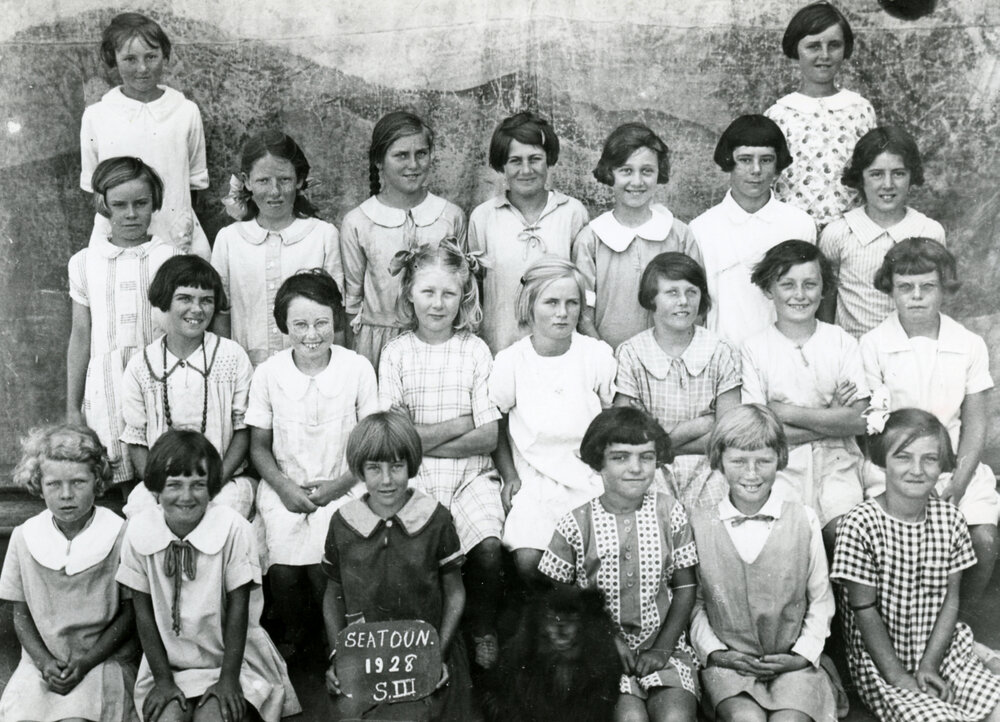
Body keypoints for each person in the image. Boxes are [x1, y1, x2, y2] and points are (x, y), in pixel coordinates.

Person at [117, 429, 300, 722]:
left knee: (212, 718)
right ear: (156, 489)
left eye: (198, 485)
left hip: (232, 662)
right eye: (174, 485)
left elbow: (239, 609)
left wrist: (227, 681)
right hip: (168, 665)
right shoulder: (138, 531)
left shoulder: (233, 529)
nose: (186, 496)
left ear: (212, 487)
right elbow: (144, 613)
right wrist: (163, 680)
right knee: (169, 719)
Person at [379, 241, 504, 668]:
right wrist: (459, 422)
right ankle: (422, 637)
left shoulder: (475, 350)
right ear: (409, 294)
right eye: (428, 292)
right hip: (416, 476)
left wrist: (425, 435)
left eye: (449, 294)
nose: (438, 303)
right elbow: (397, 439)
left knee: (488, 547)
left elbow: (488, 436)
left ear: (463, 297)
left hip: (472, 476)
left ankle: (482, 626)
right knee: (409, 547)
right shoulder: (395, 353)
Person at [832, 408, 1000, 721]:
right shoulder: (860, 524)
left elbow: (952, 600)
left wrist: (929, 665)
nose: (917, 469)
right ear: (883, 461)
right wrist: (899, 677)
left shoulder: (951, 521)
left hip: (944, 652)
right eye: (903, 457)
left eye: (930, 459)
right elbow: (864, 612)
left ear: (943, 465)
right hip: (884, 664)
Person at [859, 238, 999, 604]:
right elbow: (874, 427)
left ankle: (959, 629)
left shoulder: (968, 344)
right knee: (906, 544)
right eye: (905, 287)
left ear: (944, 288)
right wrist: (908, 479)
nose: (916, 296)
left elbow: (976, 425)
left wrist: (958, 484)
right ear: (890, 290)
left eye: (928, 287)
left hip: (955, 467)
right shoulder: (873, 345)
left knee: (982, 539)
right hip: (893, 467)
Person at [539, 407, 700, 721]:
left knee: (675, 718)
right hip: (599, 655)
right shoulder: (576, 524)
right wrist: (606, 640)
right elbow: (555, 597)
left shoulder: (671, 512)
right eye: (621, 457)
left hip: (664, 650)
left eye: (647, 457)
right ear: (598, 462)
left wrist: (662, 649)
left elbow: (685, 588)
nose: (636, 468)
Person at [246, 269, 378, 653]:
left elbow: (370, 443)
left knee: (328, 568)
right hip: (285, 487)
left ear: (336, 320)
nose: (311, 334)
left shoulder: (356, 368)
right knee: (284, 571)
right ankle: (293, 639)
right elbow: (259, 447)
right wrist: (285, 489)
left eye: (321, 323)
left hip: (345, 485)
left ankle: (334, 644)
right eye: (300, 324)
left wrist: (336, 486)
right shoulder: (269, 374)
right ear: (284, 325)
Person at [689, 405, 839, 722]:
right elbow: (697, 603)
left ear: (779, 459)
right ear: (719, 460)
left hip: (792, 663)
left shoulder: (804, 520)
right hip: (730, 666)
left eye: (764, 461)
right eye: (739, 461)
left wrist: (800, 656)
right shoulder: (700, 525)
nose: (752, 473)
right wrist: (717, 653)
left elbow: (820, 600)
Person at [322, 411, 473, 721]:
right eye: (374, 468)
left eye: (397, 466)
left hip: (428, 651)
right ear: (360, 471)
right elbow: (332, 594)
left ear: (411, 466)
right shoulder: (343, 523)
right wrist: (339, 657)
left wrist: (438, 655)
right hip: (366, 657)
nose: (387, 480)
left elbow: (455, 594)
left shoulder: (435, 519)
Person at [489, 257, 616, 580]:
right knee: (530, 561)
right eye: (551, 302)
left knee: (598, 565)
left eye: (571, 303)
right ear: (530, 307)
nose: (562, 312)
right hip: (535, 480)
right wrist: (509, 475)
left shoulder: (595, 356)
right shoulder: (511, 361)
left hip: (588, 477)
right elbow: (498, 422)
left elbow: (612, 418)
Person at [0, 424, 137, 722]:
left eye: (78, 483)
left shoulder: (119, 535)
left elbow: (130, 614)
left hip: (102, 661)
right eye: (53, 485)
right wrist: (43, 661)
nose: (66, 495)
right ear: (38, 483)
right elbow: (19, 614)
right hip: (42, 664)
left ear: (97, 481)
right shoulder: (25, 537)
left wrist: (87, 662)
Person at [742, 240, 868, 550]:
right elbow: (760, 433)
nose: (800, 295)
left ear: (824, 289)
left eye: (810, 284)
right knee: (787, 539)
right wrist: (831, 417)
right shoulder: (755, 348)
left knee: (844, 533)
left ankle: (844, 599)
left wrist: (783, 412)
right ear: (769, 289)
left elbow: (859, 421)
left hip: (838, 461)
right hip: (782, 464)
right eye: (788, 285)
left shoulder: (841, 342)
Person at [66, 156, 181, 487]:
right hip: (107, 385)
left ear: (153, 203)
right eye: (120, 205)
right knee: (112, 477)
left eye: (140, 203)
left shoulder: (170, 258)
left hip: (159, 378)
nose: (131, 214)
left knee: (160, 474)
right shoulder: (86, 262)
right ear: (104, 205)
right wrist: (73, 409)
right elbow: (80, 334)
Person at [120, 255, 256, 519]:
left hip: (223, 482)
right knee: (143, 514)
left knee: (221, 517)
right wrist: (160, 487)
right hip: (163, 485)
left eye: (206, 300)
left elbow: (242, 430)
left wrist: (213, 483)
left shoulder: (231, 357)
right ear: (165, 301)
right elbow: (136, 439)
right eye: (185, 298)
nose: (197, 309)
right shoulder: (141, 365)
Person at [341, 110, 467, 370]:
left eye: (421, 153)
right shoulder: (358, 222)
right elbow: (352, 302)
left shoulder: (450, 217)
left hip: (439, 343)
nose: (413, 164)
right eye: (401, 155)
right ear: (379, 161)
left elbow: (461, 289)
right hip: (376, 345)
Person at [614, 252, 741, 508]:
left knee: (710, 524)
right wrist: (702, 424)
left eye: (692, 292)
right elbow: (628, 434)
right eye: (672, 293)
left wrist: (661, 440)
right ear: (652, 299)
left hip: (711, 465)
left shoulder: (721, 350)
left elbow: (728, 432)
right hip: (652, 468)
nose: (683, 301)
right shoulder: (631, 353)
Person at [80, 12, 210, 258]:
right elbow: (94, 191)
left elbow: (193, 183)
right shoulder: (96, 116)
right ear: (114, 60)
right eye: (130, 59)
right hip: (118, 239)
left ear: (165, 55)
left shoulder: (185, 111)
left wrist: (181, 228)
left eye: (151, 56)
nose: (142, 68)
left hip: (175, 236)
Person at [212, 130, 344, 366]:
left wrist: (335, 373)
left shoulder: (323, 235)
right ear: (247, 181)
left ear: (300, 180)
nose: (274, 191)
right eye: (263, 181)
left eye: (284, 180)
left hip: (309, 369)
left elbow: (336, 315)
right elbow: (222, 314)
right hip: (246, 372)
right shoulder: (229, 240)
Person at [467, 111, 589, 353]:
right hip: (499, 347)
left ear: (549, 160)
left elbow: (584, 287)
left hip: (560, 352)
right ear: (502, 165)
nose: (526, 170)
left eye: (535, 159)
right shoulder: (483, 217)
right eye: (515, 161)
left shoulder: (573, 213)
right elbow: (474, 290)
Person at [690, 115, 816, 345]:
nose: (756, 170)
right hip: (723, 358)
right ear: (729, 161)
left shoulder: (800, 225)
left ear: (778, 164)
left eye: (766, 160)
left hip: (785, 358)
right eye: (745, 160)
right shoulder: (702, 229)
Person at [573, 122, 701, 350]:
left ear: (658, 173)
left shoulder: (679, 235)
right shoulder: (590, 240)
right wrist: (608, 361)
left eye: (647, 171)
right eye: (626, 170)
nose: (637, 182)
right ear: (610, 173)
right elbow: (583, 317)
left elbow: (697, 307)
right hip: (610, 365)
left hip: (670, 361)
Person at [819, 126, 945, 337]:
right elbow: (826, 301)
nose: (888, 185)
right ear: (861, 178)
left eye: (898, 173)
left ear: (911, 176)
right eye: (876, 174)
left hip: (909, 356)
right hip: (854, 357)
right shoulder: (839, 233)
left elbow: (935, 302)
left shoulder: (929, 232)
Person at [765, 2, 877, 228]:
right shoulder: (778, 114)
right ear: (796, 49)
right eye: (813, 46)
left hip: (851, 234)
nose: (824, 55)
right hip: (794, 237)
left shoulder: (860, 109)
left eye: (834, 45)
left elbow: (872, 174)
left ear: (845, 49)